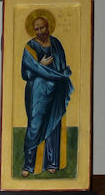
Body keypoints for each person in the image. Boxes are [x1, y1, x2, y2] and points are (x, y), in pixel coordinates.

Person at [21, 15, 73, 177]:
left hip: (56, 89)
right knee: (35, 125)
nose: (39, 31)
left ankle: (52, 163)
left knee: (53, 124)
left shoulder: (56, 43)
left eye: (42, 27)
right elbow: (26, 73)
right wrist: (40, 65)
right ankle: (28, 165)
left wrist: (60, 72)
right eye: (36, 29)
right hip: (37, 91)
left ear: (48, 27)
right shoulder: (30, 47)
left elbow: (62, 65)